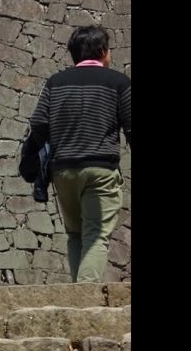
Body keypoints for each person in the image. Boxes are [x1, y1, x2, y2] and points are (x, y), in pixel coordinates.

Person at [26, 25, 131, 283]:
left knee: (75, 234)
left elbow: (38, 123)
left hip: (63, 171)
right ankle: (84, 295)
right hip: (100, 170)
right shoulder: (119, 82)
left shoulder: (56, 82)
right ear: (103, 51)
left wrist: (57, 146)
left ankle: (77, 293)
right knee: (95, 235)